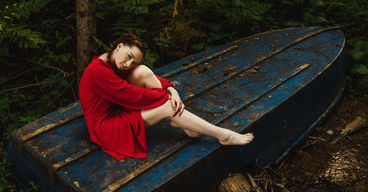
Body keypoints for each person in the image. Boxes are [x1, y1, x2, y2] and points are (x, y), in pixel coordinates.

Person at [79, 34, 254, 160]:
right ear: (119, 46)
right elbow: (132, 96)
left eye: (133, 61)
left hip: (116, 108)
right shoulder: (98, 71)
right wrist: (166, 96)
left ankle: (183, 123)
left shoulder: (112, 61)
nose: (128, 64)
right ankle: (223, 135)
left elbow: (145, 78)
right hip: (106, 127)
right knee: (168, 106)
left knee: (144, 72)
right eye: (129, 56)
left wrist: (171, 89)